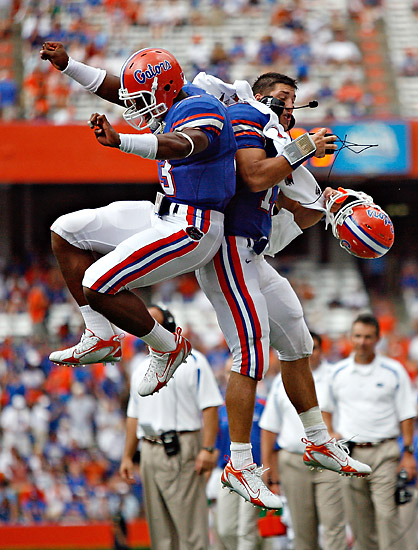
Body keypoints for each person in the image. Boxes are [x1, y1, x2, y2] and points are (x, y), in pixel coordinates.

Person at [193, 71, 371, 509]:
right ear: (259, 96)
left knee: (296, 338)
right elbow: (254, 177)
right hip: (226, 245)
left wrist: (327, 204)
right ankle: (237, 463)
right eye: (284, 97)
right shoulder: (243, 115)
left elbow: (295, 208)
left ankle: (317, 440)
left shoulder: (276, 141)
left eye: (295, 97)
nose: (291, 105)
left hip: (252, 252)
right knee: (250, 353)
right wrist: (304, 147)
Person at [39, 42, 236, 397]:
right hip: (164, 212)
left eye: (144, 100)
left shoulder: (201, 106)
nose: (135, 108)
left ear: (165, 91)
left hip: (194, 226)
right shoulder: (173, 96)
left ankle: (166, 346)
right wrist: (69, 66)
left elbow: (185, 144)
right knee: (66, 230)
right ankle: (100, 335)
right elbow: (122, 89)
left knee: (97, 283)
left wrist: (124, 142)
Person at [119, 304, 223, 550]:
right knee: (160, 532)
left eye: (153, 321)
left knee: (190, 530)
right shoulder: (139, 367)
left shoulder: (194, 360)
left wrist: (208, 448)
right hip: (149, 448)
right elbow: (133, 415)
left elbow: (210, 407)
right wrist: (126, 456)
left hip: (182, 444)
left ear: (168, 325)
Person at [322, 313, 417, 550]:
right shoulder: (337, 372)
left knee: (386, 515)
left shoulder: (393, 370)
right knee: (359, 519)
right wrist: (331, 433)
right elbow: (326, 408)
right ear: (350, 338)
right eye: (358, 336)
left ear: (377, 338)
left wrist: (408, 452)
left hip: (384, 450)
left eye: (368, 337)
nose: (362, 341)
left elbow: (406, 413)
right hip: (351, 454)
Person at [259, 332, 347, 550]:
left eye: (315, 348)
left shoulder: (337, 376)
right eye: (306, 348)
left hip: (329, 461)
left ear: (322, 350)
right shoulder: (283, 379)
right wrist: (267, 466)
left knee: (333, 525)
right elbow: (270, 426)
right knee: (301, 530)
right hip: (294, 461)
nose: (310, 353)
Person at [214, 357, 266, 550]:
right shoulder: (220, 410)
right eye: (228, 372)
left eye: (234, 372)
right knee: (225, 528)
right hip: (228, 473)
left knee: (246, 529)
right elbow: (216, 446)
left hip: (255, 473)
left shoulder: (263, 405)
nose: (230, 377)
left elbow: (269, 441)